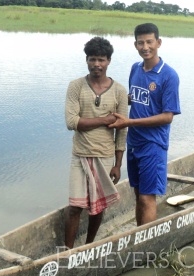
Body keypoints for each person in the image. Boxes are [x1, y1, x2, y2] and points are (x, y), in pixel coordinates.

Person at [109, 23, 180, 226]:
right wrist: (118, 102)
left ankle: (147, 251)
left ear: (159, 42)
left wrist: (129, 122)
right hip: (134, 143)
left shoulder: (169, 76)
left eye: (150, 42)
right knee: (138, 194)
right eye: (141, 43)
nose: (145, 47)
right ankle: (138, 237)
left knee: (147, 198)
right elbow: (136, 98)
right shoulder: (136, 69)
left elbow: (168, 116)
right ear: (135, 45)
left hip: (153, 145)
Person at [64, 37, 128, 249]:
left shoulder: (118, 91)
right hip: (80, 154)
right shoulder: (76, 87)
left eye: (101, 60)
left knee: (98, 207)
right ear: (87, 60)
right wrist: (104, 120)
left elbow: (122, 129)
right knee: (74, 207)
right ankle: (68, 251)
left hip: (105, 156)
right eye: (92, 60)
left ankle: (89, 246)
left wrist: (118, 164)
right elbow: (72, 122)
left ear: (109, 61)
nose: (96, 65)